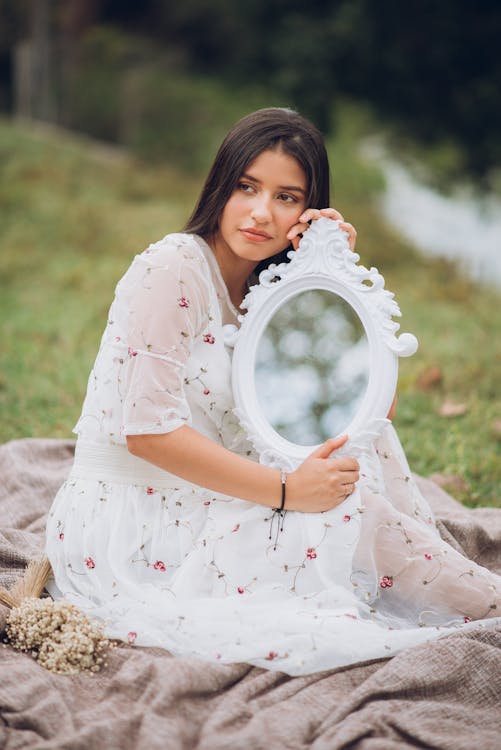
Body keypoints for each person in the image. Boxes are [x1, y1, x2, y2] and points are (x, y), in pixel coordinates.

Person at [46, 108, 500, 675]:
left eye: (287, 197)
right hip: (137, 516)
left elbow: (370, 413)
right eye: (247, 187)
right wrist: (287, 491)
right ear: (221, 184)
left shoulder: (272, 287)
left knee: (360, 450)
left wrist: (333, 275)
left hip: (212, 491)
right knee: (335, 509)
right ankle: (485, 606)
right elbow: (146, 432)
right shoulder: (172, 268)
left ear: (308, 212)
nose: (262, 213)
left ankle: (465, 597)